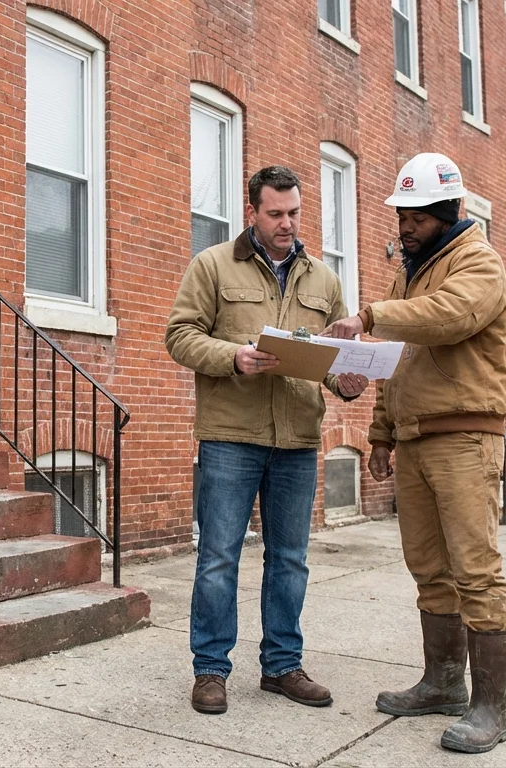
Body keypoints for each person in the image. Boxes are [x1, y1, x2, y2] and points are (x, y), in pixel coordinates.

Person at [322, 152, 506, 753]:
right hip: (414, 438)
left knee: (475, 570)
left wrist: (370, 315)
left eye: (417, 218)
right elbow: (396, 362)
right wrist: (381, 433)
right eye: (401, 217)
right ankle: (443, 683)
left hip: (464, 437)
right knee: (428, 569)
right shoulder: (409, 274)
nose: (405, 227)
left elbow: (449, 317)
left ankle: (491, 708)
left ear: (448, 212)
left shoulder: (478, 261)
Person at [167, 165, 369, 715]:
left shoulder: (323, 280)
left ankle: (282, 666)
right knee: (218, 557)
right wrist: (233, 356)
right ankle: (211, 670)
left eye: (294, 213)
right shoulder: (212, 265)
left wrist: (346, 381)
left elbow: (331, 358)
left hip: (297, 439)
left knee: (290, 560)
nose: (287, 223)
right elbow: (179, 336)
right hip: (230, 437)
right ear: (252, 212)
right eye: (276, 213)